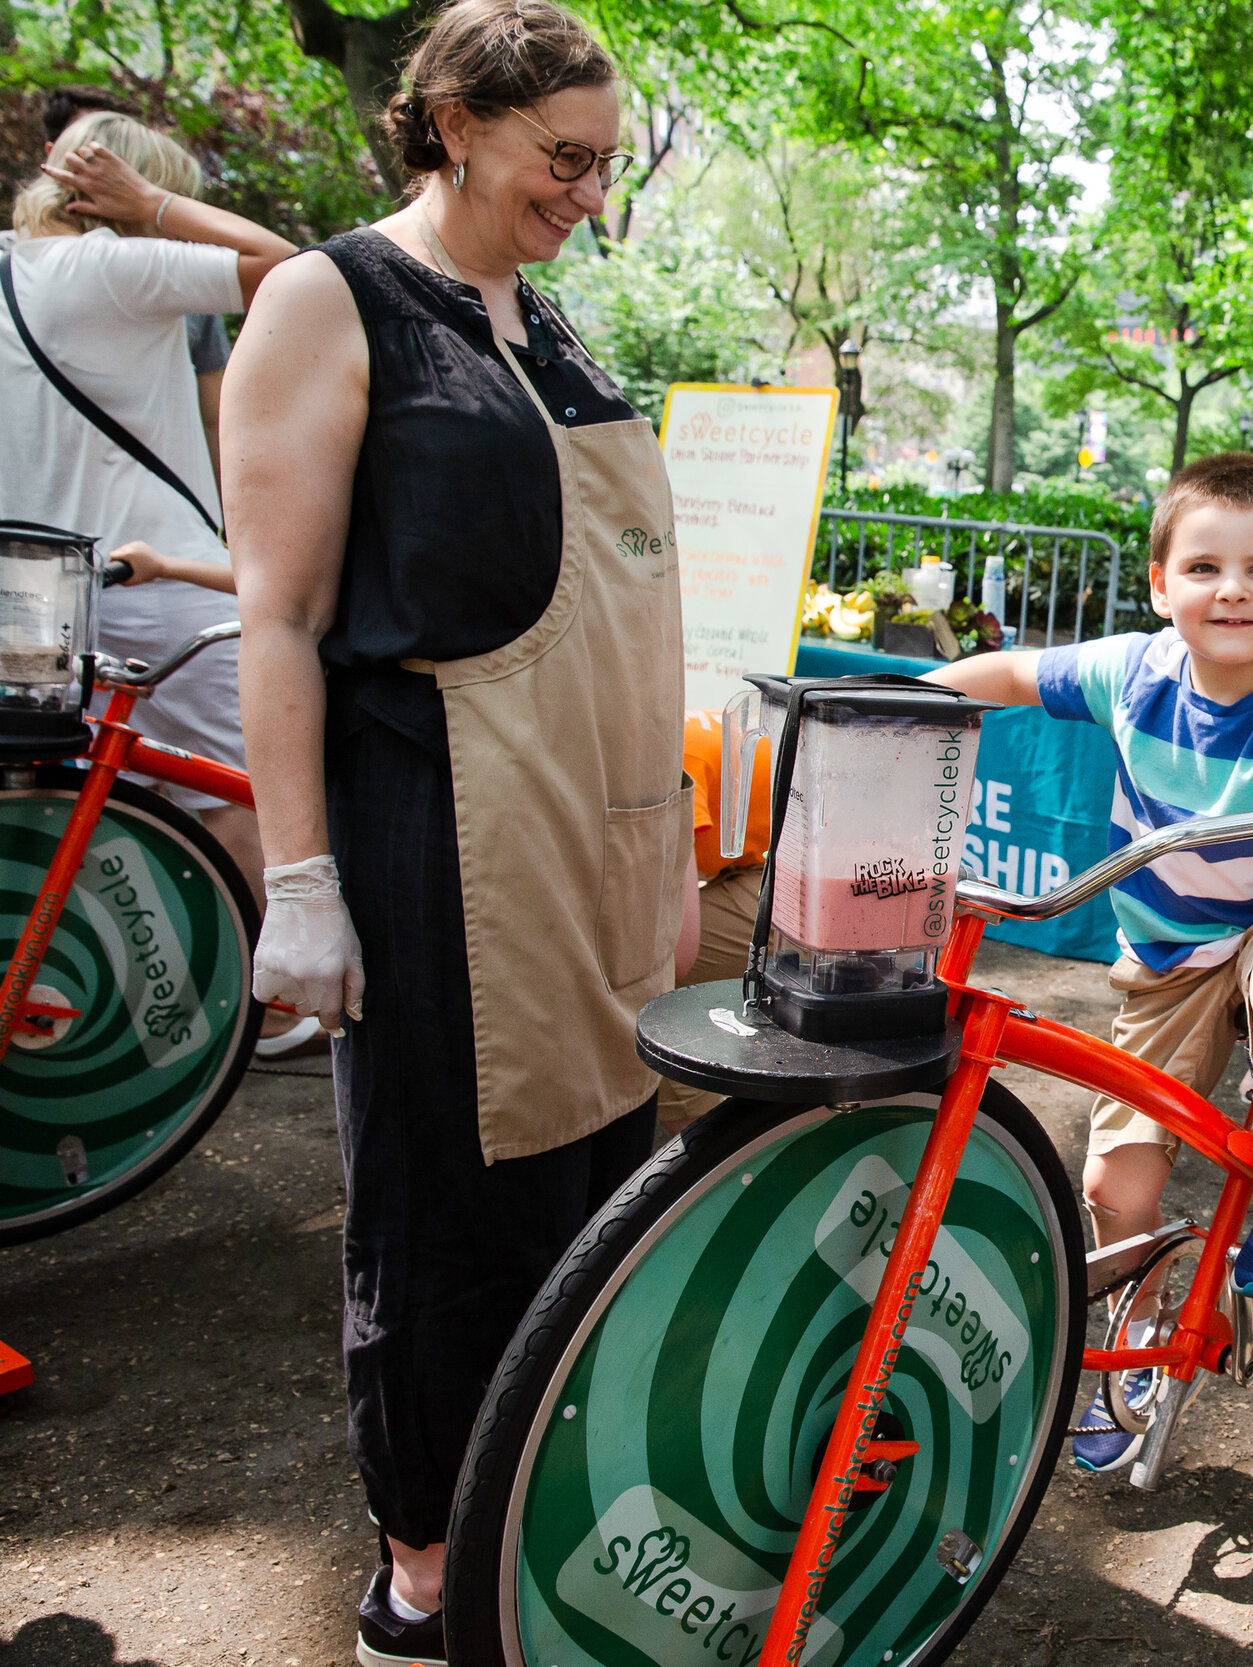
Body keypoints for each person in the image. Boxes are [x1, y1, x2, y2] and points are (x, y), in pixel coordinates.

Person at [223, 3, 681, 1660]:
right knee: (442, 1222)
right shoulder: (330, 303)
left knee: (585, 1208)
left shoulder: (546, 323)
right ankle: (423, 1574)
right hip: (434, 840)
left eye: (602, 166)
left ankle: (536, 1515)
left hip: (589, 847)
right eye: (563, 158)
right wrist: (299, 881)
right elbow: (278, 615)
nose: (585, 193)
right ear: (453, 123)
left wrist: (665, 851)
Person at [929, 453, 1253, 1475]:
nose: (1232, 589)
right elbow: (1006, 674)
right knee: (1118, 1186)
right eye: (1205, 566)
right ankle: (1131, 1351)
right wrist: (902, 704)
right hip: (1165, 953)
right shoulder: (1130, 670)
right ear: (1161, 584)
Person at [1, 112, 302, 1047]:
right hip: (157, 584)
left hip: (38, 596)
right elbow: (288, 270)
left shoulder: (10, 268)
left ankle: (113, 1000)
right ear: (122, 192)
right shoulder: (111, 267)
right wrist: (158, 211)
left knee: (86, 799)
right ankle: (266, 1010)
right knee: (239, 788)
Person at [32, 86, 237, 478]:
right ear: (54, 157)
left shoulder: (179, 279)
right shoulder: (18, 265)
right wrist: (159, 205)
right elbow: (284, 261)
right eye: (89, 152)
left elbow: (214, 416)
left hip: (149, 517)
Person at [662, 706, 774, 1136]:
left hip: (811, 877)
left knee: (654, 982)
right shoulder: (663, 733)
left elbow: (675, 952)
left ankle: (700, 1141)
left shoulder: (671, 761)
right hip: (773, 859)